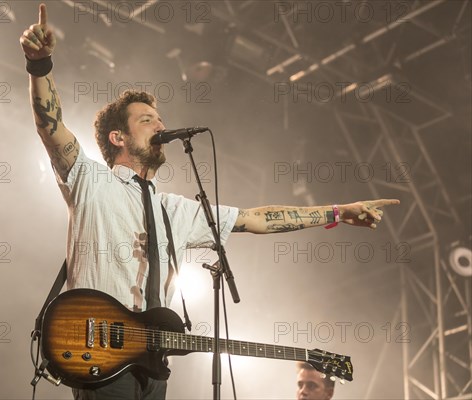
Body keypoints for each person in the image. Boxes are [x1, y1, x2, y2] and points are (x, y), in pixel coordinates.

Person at [20, 4, 399, 399]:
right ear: (118, 137)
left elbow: (258, 219)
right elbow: (50, 126)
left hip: (151, 367)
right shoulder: (90, 179)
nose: (161, 125)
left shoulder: (176, 211)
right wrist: (39, 64)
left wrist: (338, 212)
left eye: (160, 118)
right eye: (147, 119)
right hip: (97, 352)